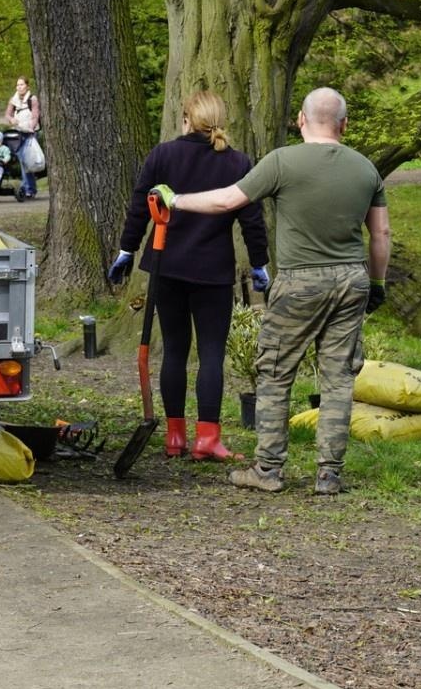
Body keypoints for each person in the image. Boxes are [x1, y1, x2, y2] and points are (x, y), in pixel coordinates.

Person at [150, 86, 391, 496]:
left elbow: (228, 201)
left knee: (276, 372)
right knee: (338, 379)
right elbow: (381, 233)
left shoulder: (281, 162)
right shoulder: (366, 169)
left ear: (300, 119)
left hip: (300, 281)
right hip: (351, 280)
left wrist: (176, 200)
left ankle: (268, 469)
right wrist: (377, 284)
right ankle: (328, 474)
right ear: (344, 125)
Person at [108, 90, 269, 461]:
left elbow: (139, 206)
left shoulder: (162, 155)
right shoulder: (238, 163)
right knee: (211, 353)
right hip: (212, 270)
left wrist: (127, 250)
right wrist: (260, 263)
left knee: (175, 351)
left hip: (167, 266)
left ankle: (175, 436)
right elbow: (251, 220)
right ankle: (207, 439)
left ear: (185, 120)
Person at [5, 76, 41, 199]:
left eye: (21, 84)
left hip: (30, 133)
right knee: (23, 162)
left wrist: (30, 127)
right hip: (18, 133)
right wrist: (11, 120)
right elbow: (7, 114)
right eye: (17, 85)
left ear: (27, 86)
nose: (19, 87)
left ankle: (29, 188)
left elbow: (35, 116)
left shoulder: (33, 99)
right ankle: (29, 189)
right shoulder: (13, 100)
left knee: (28, 161)